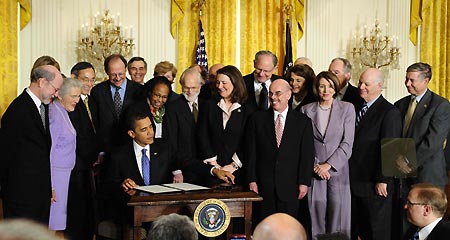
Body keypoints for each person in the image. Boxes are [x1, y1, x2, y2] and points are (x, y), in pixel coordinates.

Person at [1, 64, 63, 224]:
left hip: (39, 194)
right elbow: (6, 157)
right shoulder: (18, 111)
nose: (56, 95)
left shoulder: (42, 107)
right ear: (42, 82)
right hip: (21, 198)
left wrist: (48, 188)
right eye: (55, 89)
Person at [246, 79, 314, 222]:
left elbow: (307, 155)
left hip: (291, 187)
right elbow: (251, 153)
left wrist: (304, 182)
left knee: (288, 227)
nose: (273, 97)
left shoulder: (303, 122)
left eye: (278, 93)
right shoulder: (257, 119)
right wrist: (252, 179)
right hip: (264, 186)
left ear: (289, 95)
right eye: (271, 93)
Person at [349, 68, 402, 240]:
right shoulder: (355, 106)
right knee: (357, 228)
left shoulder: (389, 112)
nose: (361, 87)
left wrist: (383, 179)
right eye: (360, 82)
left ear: (380, 86)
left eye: (366, 84)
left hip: (375, 185)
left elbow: (392, 147)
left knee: (375, 231)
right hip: (353, 181)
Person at [301, 71, 355, 239]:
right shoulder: (306, 110)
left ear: (335, 88)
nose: (326, 90)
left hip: (338, 171)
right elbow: (304, 145)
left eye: (330, 86)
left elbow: (347, 143)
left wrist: (328, 165)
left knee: (338, 218)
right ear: (317, 88)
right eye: (322, 86)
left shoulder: (347, 108)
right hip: (314, 171)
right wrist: (317, 166)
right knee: (316, 215)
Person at [394, 63, 450, 190]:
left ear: (426, 81)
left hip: (428, 176)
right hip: (402, 177)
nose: (407, 83)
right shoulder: (400, 104)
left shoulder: (440, 105)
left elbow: (432, 143)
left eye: (412, 80)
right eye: (406, 79)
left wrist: (407, 162)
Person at [198, 65, 254, 185]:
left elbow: (249, 141)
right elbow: (202, 135)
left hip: (238, 172)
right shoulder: (209, 105)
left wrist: (233, 165)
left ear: (235, 83)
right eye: (218, 82)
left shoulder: (248, 109)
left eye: (224, 83)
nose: (219, 86)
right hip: (212, 170)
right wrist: (214, 165)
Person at [67, 61, 99, 240]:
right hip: (76, 166)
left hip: (89, 166)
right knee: (77, 215)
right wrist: (91, 157)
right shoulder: (70, 102)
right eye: (85, 79)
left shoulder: (91, 100)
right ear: (73, 78)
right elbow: (77, 137)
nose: (89, 84)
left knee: (89, 214)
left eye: (92, 80)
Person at [89, 54, 142, 155]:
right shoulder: (97, 92)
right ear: (107, 72)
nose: (117, 78)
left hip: (132, 148)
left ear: (126, 69)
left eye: (120, 74)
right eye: (113, 74)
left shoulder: (139, 90)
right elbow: (95, 124)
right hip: (107, 150)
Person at [48, 78, 82, 234]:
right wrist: (51, 186)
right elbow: (49, 150)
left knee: (56, 224)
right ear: (60, 95)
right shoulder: (54, 113)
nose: (77, 100)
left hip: (63, 176)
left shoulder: (63, 111)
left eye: (78, 96)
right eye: (73, 96)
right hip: (56, 176)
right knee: (50, 224)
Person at [166, 68, 205, 183]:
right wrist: (176, 170)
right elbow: (171, 142)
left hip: (207, 168)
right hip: (184, 169)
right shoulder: (172, 108)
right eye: (186, 87)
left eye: (193, 88)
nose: (190, 91)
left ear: (200, 86)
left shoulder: (207, 105)